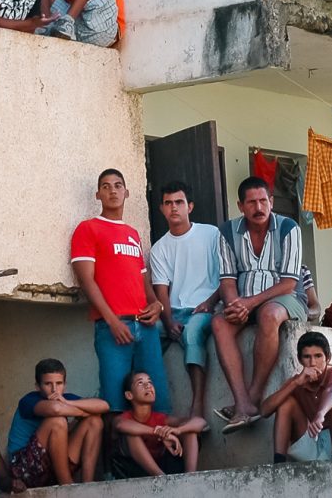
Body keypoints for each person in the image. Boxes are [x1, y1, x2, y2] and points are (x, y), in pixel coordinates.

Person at [69, 169, 172, 417]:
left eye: (117, 185)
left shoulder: (133, 234)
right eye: (106, 186)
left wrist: (157, 304)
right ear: (98, 194)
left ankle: (158, 452)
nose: (112, 191)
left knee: (158, 401)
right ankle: (115, 456)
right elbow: (87, 281)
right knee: (114, 403)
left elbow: (142, 279)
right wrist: (112, 321)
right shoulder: (88, 228)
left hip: (145, 328)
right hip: (112, 328)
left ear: (126, 192)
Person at [211, 176, 305, 433]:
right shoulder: (226, 232)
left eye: (263, 201)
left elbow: (288, 282)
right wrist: (233, 304)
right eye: (251, 202)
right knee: (219, 323)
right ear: (241, 206)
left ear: (272, 202)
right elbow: (227, 279)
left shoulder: (288, 228)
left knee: (270, 314)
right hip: (243, 300)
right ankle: (242, 404)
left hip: (285, 301)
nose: (259, 207)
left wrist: (249, 304)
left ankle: (252, 397)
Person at [148, 181, 220, 419]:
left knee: (191, 334)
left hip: (205, 308)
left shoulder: (210, 234)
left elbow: (227, 277)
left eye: (179, 202)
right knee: (145, 333)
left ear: (190, 206)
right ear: (161, 209)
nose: (173, 208)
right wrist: (168, 322)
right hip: (174, 311)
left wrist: (210, 302)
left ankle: (197, 406)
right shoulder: (159, 248)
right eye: (168, 203)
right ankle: (147, 407)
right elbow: (161, 291)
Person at [259, 331, 332, 462]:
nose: (313, 362)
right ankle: (278, 464)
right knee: (286, 404)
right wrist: (295, 383)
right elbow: (264, 411)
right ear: (299, 359)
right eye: (307, 357)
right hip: (320, 444)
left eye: (318, 356)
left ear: (328, 358)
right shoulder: (298, 381)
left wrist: (320, 414)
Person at [7, 358, 108, 487]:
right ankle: (67, 485)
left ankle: (87, 485)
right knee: (57, 421)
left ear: (65, 385)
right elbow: (55, 409)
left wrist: (67, 402)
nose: (54, 389)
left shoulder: (64, 399)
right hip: (24, 470)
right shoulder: (28, 400)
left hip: (53, 467)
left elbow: (104, 405)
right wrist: (82, 412)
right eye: (48, 384)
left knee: (95, 421)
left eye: (59, 383)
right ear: (38, 386)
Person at [111, 371, 206, 478]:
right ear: (129, 395)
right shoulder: (123, 418)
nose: (148, 386)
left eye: (150, 382)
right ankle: (161, 478)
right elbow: (120, 425)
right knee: (131, 434)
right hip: (131, 469)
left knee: (189, 430)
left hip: (163, 464)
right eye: (140, 383)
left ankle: (191, 478)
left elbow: (200, 422)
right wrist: (160, 433)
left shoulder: (161, 418)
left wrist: (178, 430)